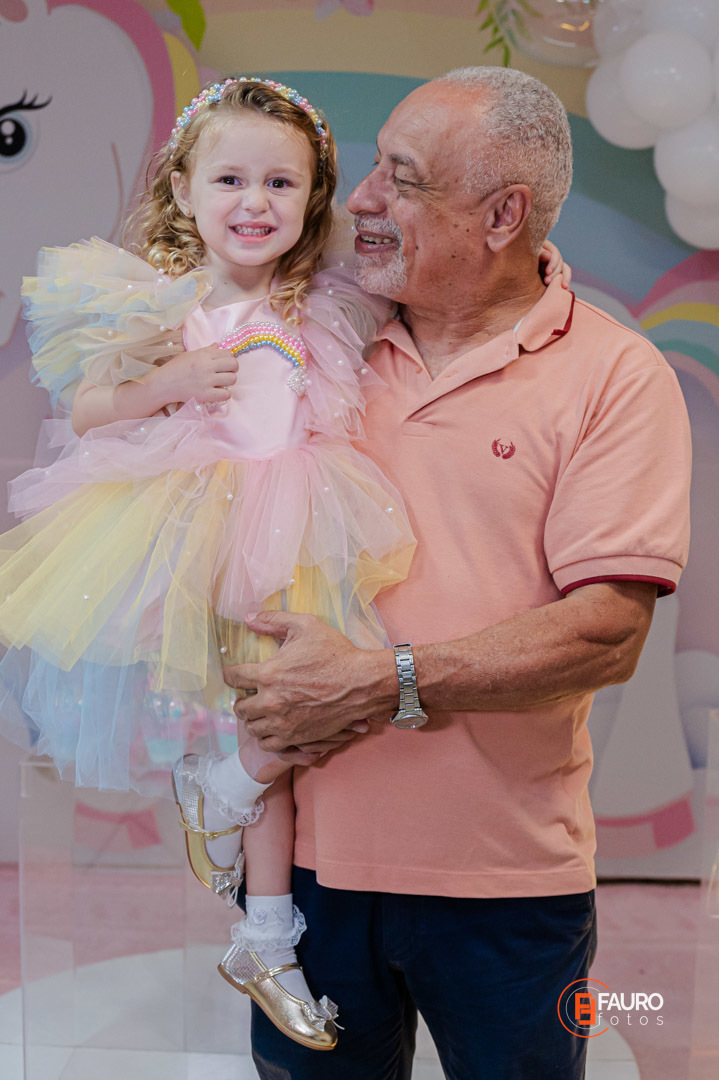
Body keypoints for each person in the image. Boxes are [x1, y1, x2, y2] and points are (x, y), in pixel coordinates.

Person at [0, 74, 566, 1056]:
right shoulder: (156, 301)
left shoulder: (326, 299)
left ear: (312, 200)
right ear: (183, 190)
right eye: (229, 180)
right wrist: (169, 380)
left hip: (300, 525)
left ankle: (257, 914)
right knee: (265, 716)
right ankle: (259, 909)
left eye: (280, 183)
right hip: (187, 524)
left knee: (300, 718)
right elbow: (88, 408)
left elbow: (455, 287)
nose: (253, 202)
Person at [222, 68, 693, 1079]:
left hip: (508, 887)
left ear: (500, 216)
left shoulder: (614, 375)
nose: (359, 200)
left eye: (400, 179)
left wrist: (378, 679)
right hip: (306, 877)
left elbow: (604, 630)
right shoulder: (312, 344)